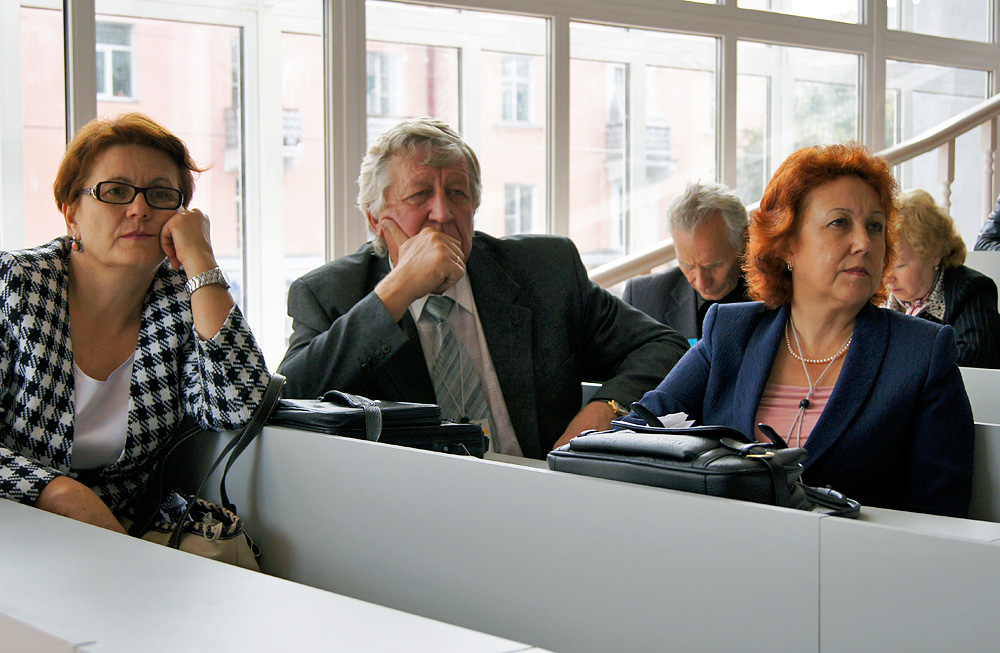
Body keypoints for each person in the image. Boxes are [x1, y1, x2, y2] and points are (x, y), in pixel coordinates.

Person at [277, 117, 688, 459]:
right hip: (407, 508)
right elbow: (287, 400)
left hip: (542, 493)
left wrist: (606, 408)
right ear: (375, 220)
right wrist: (396, 292)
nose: (442, 213)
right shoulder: (331, 294)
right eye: (420, 195)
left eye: (457, 193)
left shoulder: (545, 272)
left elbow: (664, 346)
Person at [627, 142, 974, 517]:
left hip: (853, 553)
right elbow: (639, 432)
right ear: (787, 244)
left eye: (875, 226)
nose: (864, 242)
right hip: (722, 542)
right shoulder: (730, 331)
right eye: (840, 223)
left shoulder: (922, 353)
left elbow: (940, 515)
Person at [0, 113, 271, 532]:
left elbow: (239, 409)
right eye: (115, 191)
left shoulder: (182, 300)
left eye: (161, 195)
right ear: (72, 214)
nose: (140, 209)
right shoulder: (17, 283)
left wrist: (200, 258)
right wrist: (59, 492)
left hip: (121, 537)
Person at [885, 189, 1000, 369]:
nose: (887, 277)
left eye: (899, 265)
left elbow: (970, 363)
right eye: (883, 264)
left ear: (934, 254)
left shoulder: (971, 291)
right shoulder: (878, 297)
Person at [622, 182, 750, 341]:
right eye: (687, 265)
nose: (701, 283)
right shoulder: (641, 299)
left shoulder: (775, 296)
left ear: (744, 241)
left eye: (713, 265)